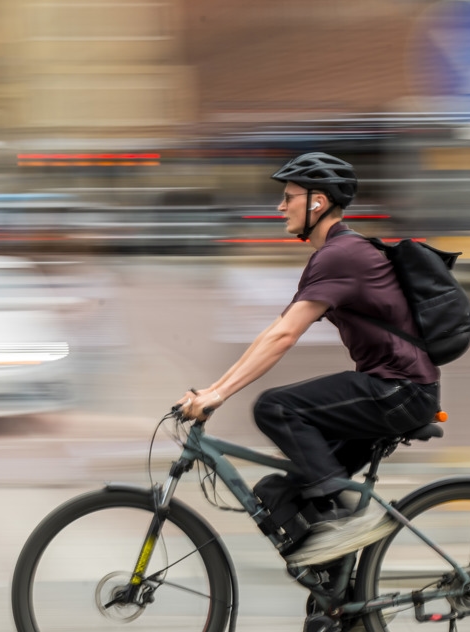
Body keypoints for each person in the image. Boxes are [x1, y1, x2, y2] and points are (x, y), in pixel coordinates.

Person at [177, 151, 441, 569]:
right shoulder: (334, 256)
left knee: (274, 407)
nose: (281, 206)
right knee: (280, 494)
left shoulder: (342, 255)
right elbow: (272, 331)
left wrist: (221, 394)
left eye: (289, 196)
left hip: (398, 390)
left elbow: (284, 337)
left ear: (317, 202)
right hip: (393, 390)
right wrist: (213, 390)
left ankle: (353, 521)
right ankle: (341, 608)